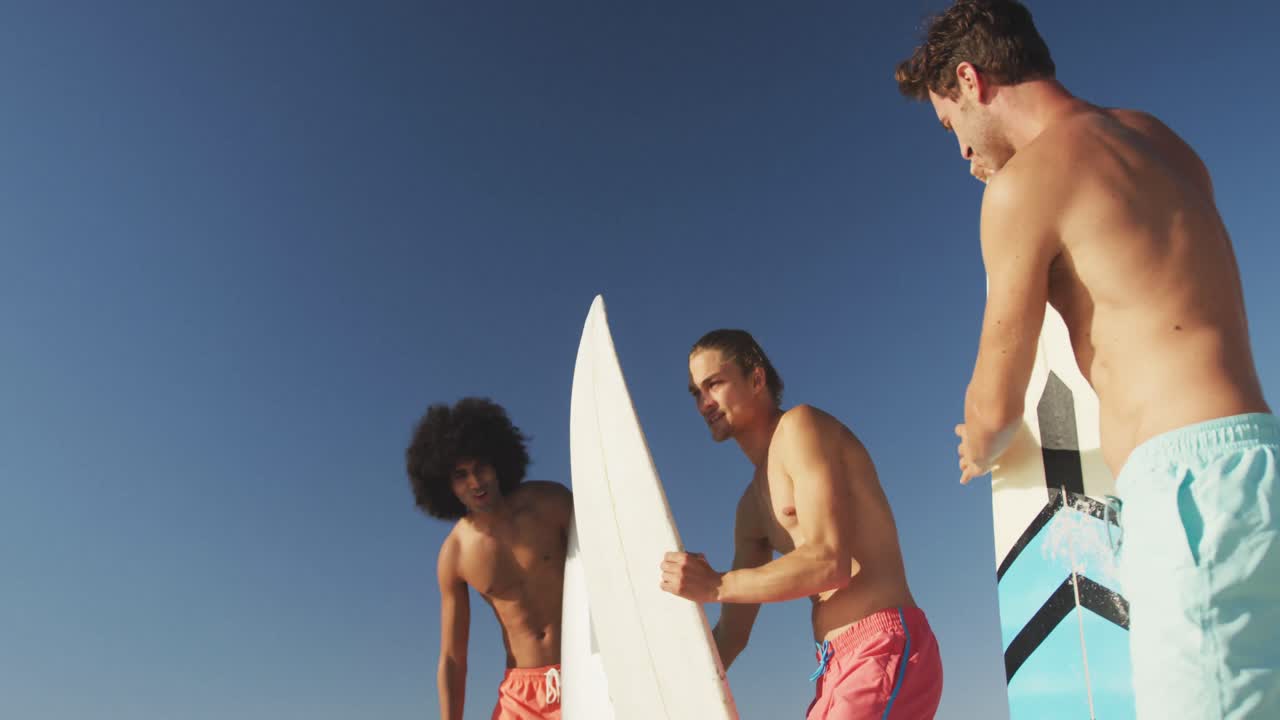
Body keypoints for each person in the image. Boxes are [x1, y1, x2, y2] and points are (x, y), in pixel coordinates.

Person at [894, 1, 1279, 716]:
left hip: (1186, 493)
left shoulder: (1024, 186)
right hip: (1260, 462)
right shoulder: (1162, 141)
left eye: (952, 128)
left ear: (971, 80)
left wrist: (976, 444)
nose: (963, 156)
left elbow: (995, 405)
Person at [661, 329, 943, 719]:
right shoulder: (751, 509)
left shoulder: (801, 427)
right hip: (833, 668)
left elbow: (829, 563)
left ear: (756, 380)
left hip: (884, 646)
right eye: (695, 392)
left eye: (714, 384)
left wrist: (717, 584)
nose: (704, 403)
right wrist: (666, 691)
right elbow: (732, 634)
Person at [407, 398, 572, 720]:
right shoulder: (454, 554)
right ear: (446, 485)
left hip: (587, 665)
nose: (475, 482)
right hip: (523, 694)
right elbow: (453, 657)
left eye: (481, 467)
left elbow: (613, 564)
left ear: (497, 463)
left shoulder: (551, 502)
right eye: (461, 475)